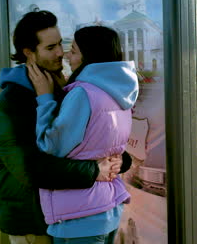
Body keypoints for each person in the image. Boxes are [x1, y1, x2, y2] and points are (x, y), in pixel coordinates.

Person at [0, 10, 129, 244]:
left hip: (69, 216)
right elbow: (29, 169)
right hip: (33, 223)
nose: (61, 53)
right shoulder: (12, 102)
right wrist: (96, 171)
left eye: (61, 45)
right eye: (50, 47)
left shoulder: (65, 88)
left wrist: (121, 161)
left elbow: (86, 144)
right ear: (29, 53)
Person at [27, 25, 138, 244]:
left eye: (74, 51)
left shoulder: (83, 93)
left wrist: (45, 99)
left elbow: (52, 145)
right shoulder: (121, 91)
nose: (67, 55)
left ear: (90, 56)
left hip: (79, 215)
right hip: (107, 208)